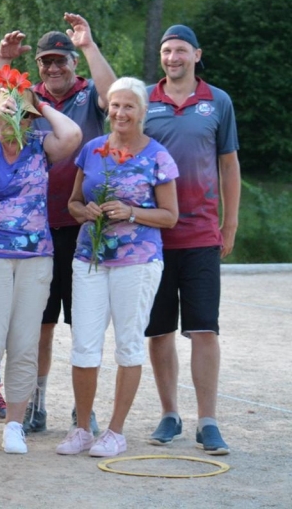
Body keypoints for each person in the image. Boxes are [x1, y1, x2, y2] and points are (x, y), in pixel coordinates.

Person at [0, 17, 117, 434]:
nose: (53, 68)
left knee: (86, 324)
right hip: (39, 231)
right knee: (38, 325)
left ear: (72, 63)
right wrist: (3, 61)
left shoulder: (88, 94)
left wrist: (88, 45)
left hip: (85, 227)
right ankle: (36, 403)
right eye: (46, 62)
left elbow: (112, 94)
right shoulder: (28, 99)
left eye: (60, 60)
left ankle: (84, 408)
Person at [55, 78, 179, 458]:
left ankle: (116, 431)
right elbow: (74, 203)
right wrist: (84, 211)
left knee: (127, 344)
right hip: (89, 260)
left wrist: (132, 212)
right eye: (114, 106)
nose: (120, 113)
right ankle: (81, 429)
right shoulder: (92, 150)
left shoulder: (158, 156)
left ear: (143, 112)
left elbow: (170, 216)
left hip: (137, 262)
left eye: (128, 107)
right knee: (84, 346)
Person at [0, 80, 81, 456]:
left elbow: (73, 135)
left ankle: (15, 423)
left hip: (35, 257)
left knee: (25, 344)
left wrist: (39, 104)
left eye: (23, 115)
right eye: (14, 113)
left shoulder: (39, 145)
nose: (19, 121)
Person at [143, 25, 240, 455]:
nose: (173, 57)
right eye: (166, 50)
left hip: (201, 234)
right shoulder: (146, 100)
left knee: (204, 331)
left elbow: (229, 164)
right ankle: (169, 414)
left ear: (197, 55)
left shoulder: (217, 102)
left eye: (180, 50)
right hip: (152, 237)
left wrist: (230, 223)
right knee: (159, 332)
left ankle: (208, 421)